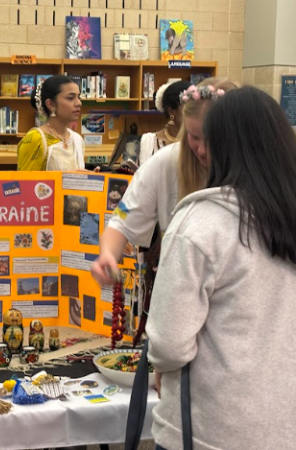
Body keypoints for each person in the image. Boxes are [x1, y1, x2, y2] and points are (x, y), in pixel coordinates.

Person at [146, 86, 296, 450]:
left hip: (209, 427)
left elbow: (168, 344)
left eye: (206, 139)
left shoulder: (202, 224)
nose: (199, 149)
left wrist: (159, 364)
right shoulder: (286, 213)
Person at [90, 78, 238, 287]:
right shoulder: (165, 161)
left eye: (212, 139)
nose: (202, 150)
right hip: (177, 287)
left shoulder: (255, 169)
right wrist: (108, 254)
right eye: (194, 137)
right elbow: (122, 217)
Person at [17, 75, 85, 171]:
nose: (79, 103)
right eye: (70, 98)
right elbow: (25, 183)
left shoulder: (77, 140)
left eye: (79, 97)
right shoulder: (36, 139)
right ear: (51, 104)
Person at [138, 80, 190, 166]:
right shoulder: (148, 142)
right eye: (188, 107)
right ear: (172, 111)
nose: (194, 113)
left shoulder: (198, 144)